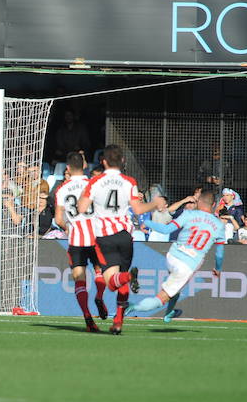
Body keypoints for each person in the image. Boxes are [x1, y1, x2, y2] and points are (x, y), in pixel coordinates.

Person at [77, 144, 166, 335]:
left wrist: (83, 197)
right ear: (123, 161)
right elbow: (139, 209)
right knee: (121, 280)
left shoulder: (96, 181)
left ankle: (129, 277)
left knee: (112, 281)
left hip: (104, 236)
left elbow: (82, 208)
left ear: (103, 161)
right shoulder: (129, 181)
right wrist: (155, 203)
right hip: (126, 236)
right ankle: (118, 321)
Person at [125, 190, 225, 323]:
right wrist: (217, 269)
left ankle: (169, 313)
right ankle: (132, 307)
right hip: (188, 264)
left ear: (199, 201)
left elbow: (166, 229)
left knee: (176, 288)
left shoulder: (189, 214)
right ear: (213, 205)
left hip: (172, 256)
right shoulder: (219, 225)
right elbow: (219, 253)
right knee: (161, 298)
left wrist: (148, 223)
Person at [54, 152, 108, 332]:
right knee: (100, 271)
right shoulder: (94, 184)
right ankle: (99, 296)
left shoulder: (62, 189)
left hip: (76, 239)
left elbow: (59, 219)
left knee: (79, 279)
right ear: (85, 166)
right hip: (95, 237)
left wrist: (68, 227)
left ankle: (87, 318)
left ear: (67, 168)